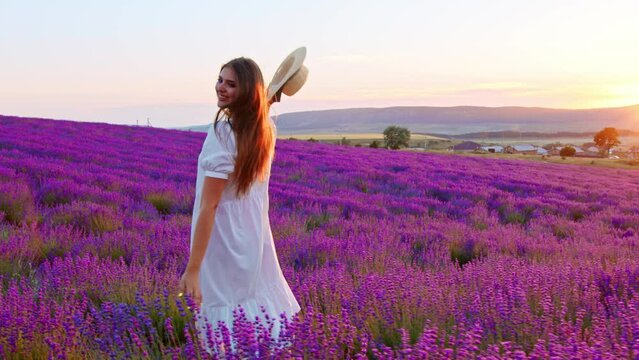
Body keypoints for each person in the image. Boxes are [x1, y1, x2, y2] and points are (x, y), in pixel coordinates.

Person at [178, 56, 303, 346]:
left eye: (231, 84)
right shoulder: (265, 130)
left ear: (247, 91)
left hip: (222, 237)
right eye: (220, 80)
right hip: (253, 234)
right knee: (250, 301)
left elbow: (210, 206)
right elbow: (260, 113)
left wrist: (193, 269)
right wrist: (265, 100)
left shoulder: (223, 132)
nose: (221, 88)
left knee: (224, 309)